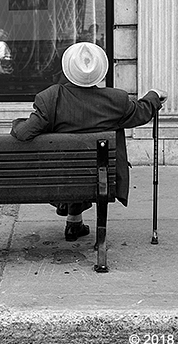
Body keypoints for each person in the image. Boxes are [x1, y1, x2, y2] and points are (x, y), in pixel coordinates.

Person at [10, 42, 167, 241]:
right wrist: (154, 95)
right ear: (100, 71)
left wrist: (17, 123)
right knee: (92, 169)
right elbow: (141, 112)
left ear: (68, 70)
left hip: (62, 176)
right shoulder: (115, 101)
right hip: (101, 178)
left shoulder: (51, 98)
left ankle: (74, 221)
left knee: (71, 166)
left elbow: (23, 133)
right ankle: (79, 227)